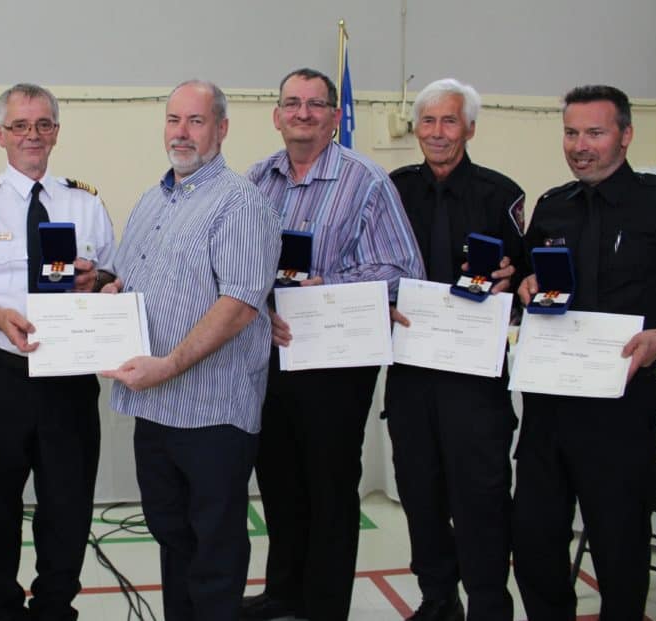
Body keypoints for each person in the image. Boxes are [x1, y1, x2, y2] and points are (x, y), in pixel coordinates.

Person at [241, 68, 423, 621]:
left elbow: (401, 267)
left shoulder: (366, 180)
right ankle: (283, 593)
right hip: (270, 354)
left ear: (334, 115)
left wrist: (328, 288)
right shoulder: (256, 179)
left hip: (336, 363)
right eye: (291, 104)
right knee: (278, 480)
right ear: (276, 115)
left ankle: (323, 607)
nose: (302, 114)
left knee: (329, 487)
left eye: (315, 105)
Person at [0, 83, 115, 621]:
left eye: (43, 125)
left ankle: (56, 607)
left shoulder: (85, 201)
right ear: (0, 135)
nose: (32, 135)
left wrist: (96, 280)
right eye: (20, 126)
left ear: (56, 131)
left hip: (69, 377)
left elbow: (111, 276)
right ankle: (4, 609)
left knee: (68, 504)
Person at [102, 79, 281, 621]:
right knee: (171, 535)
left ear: (221, 129)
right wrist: (113, 294)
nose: (182, 133)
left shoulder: (239, 203)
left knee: (214, 550)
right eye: (174, 120)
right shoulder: (153, 198)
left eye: (196, 121)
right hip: (154, 409)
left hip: (211, 413)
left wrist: (170, 364)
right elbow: (130, 278)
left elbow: (240, 304)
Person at [513, 84, 656, 621]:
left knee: (620, 551)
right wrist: (527, 284)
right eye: (571, 132)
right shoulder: (553, 206)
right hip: (547, 411)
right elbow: (530, 280)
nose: (580, 145)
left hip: (620, 413)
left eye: (595, 132)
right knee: (536, 546)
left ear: (626, 136)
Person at [386, 78, 524, 621]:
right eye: (428, 121)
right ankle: (437, 598)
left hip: (475, 379)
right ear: (416, 128)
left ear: (469, 127)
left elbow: (528, 285)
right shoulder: (393, 188)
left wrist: (514, 280)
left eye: (449, 121)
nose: (437, 133)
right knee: (419, 493)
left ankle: (489, 605)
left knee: (481, 501)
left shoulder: (501, 193)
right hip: (413, 374)